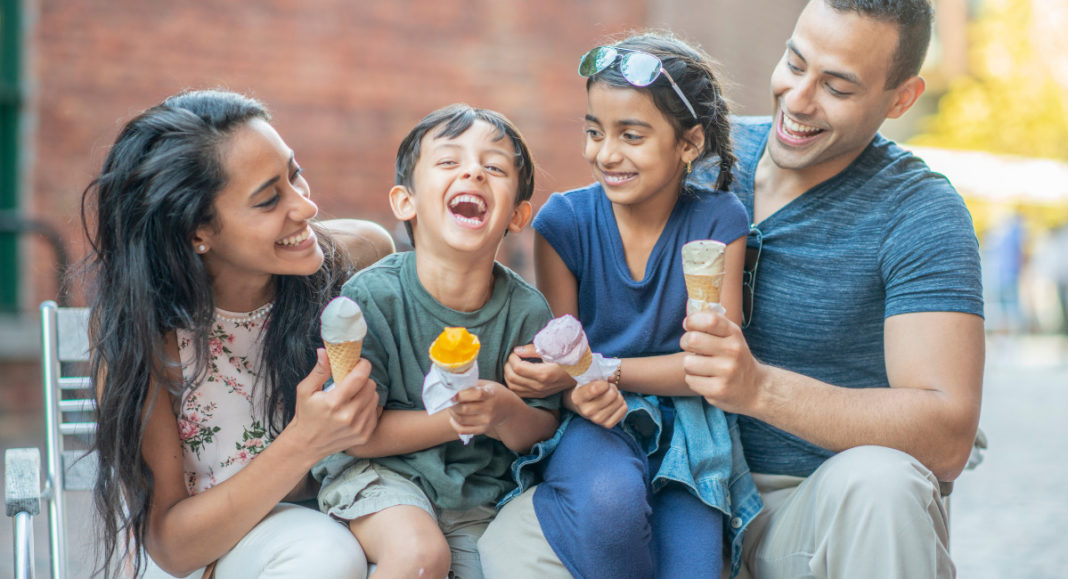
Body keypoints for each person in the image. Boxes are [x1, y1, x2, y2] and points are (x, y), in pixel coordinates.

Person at [681, 1, 985, 577]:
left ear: (901, 99)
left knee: (883, 485)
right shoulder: (697, 159)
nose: (797, 100)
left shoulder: (922, 213)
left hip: (814, 508)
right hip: (677, 486)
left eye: (837, 88)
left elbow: (947, 434)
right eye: (795, 64)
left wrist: (759, 389)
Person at [479, 33, 761, 578]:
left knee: (696, 567)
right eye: (594, 131)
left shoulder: (720, 222)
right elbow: (566, 347)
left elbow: (710, 368)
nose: (605, 154)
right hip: (596, 420)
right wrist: (553, 377)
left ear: (688, 143)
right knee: (609, 506)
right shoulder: (563, 223)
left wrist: (594, 370)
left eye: (631, 135)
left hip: (689, 428)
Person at [83, 89, 394, 578]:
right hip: (209, 551)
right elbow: (172, 547)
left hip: (343, 516)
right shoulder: (149, 334)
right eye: (269, 198)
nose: (307, 208)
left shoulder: (355, 260)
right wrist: (305, 441)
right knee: (325, 556)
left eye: (296, 174)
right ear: (195, 232)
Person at [312, 104, 561, 579]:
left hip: (474, 496)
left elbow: (544, 431)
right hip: (379, 476)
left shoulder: (527, 311)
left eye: (494, 166)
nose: (473, 170)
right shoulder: (373, 296)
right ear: (405, 201)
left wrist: (507, 412)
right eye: (449, 162)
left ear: (518, 215)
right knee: (420, 557)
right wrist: (455, 420)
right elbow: (356, 437)